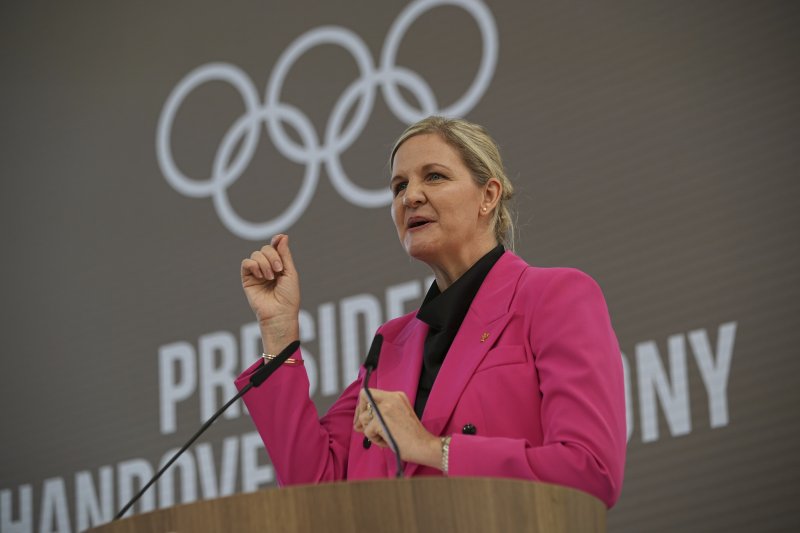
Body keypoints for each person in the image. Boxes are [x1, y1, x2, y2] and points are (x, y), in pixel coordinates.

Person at [235, 116, 626, 508]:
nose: (410, 197)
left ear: (488, 195)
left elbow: (589, 470)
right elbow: (314, 490)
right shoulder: (391, 344)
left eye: (434, 176)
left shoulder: (553, 297)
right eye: (399, 186)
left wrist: (433, 449)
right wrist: (279, 331)